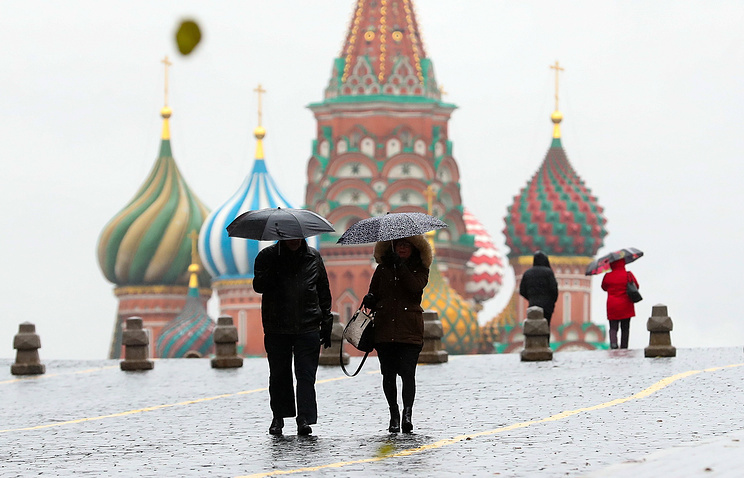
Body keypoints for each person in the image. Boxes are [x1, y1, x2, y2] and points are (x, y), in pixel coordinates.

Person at [252, 238, 333, 436]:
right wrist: (275, 268)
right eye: (290, 236)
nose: (295, 240)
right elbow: (258, 285)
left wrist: (327, 318)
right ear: (282, 235)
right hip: (277, 326)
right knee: (279, 375)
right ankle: (278, 417)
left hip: (308, 324)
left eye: (298, 235)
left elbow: (323, 289)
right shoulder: (268, 256)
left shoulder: (313, 257)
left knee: (306, 375)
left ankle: (304, 419)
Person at [362, 235, 431, 433]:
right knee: (388, 375)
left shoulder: (420, 269)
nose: (401, 248)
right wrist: (370, 299)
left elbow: (414, 287)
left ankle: (407, 413)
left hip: (409, 330)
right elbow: (374, 292)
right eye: (398, 244)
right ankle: (394, 413)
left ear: (414, 249)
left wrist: (400, 266)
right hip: (385, 330)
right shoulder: (383, 269)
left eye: (406, 245)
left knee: (408, 374)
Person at [601, 259, 639, 349]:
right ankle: (624, 346)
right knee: (625, 328)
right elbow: (636, 286)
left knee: (613, 327)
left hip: (612, 305)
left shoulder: (608, 276)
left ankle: (613, 344)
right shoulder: (628, 274)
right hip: (626, 304)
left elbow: (603, 287)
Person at [519, 251, 559, 325]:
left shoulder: (527, 273)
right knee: (545, 328)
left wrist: (531, 298)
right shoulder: (548, 272)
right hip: (547, 307)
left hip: (532, 306)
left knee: (533, 328)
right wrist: (551, 301)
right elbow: (554, 290)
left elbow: (522, 291)